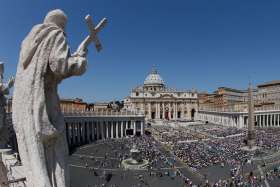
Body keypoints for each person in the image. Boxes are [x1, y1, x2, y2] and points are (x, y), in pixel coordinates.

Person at [13, 9, 88, 187]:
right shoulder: (55, 34)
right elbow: (60, 66)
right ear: (62, 24)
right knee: (57, 153)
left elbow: (47, 71)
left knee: (35, 158)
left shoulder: (28, 41)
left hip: (24, 108)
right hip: (45, 106)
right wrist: (80, 61)